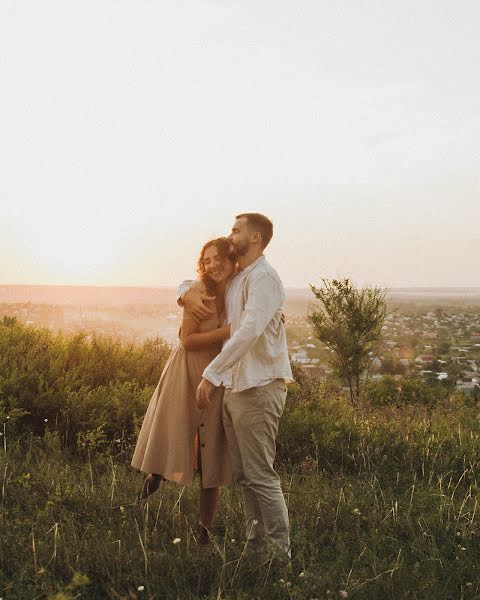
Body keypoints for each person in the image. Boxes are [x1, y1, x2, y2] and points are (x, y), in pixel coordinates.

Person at [180, 213, 293, 560]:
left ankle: (278, 554)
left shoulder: (265, 280)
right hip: (237, 387)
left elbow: (248, 330)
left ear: (256, 237)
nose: (231, 234)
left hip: (259, 386)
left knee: (261, 475)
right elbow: (197, 280)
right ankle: (255, 549)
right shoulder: (242, 276)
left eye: (236, 230)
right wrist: (183, 292)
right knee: (245, 476)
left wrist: (212, 374)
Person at [131, 237, 236, 543]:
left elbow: (258, 310)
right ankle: (148, 488)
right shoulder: (198, 291)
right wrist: (230, 331)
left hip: (217, 377)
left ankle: (204, 530)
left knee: (210, 454)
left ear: (233, 261)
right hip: (187, 371)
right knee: (174, 435)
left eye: (219, 259)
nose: (213, 264)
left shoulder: (238, 291)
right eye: (207, 259)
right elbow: (187, 340)